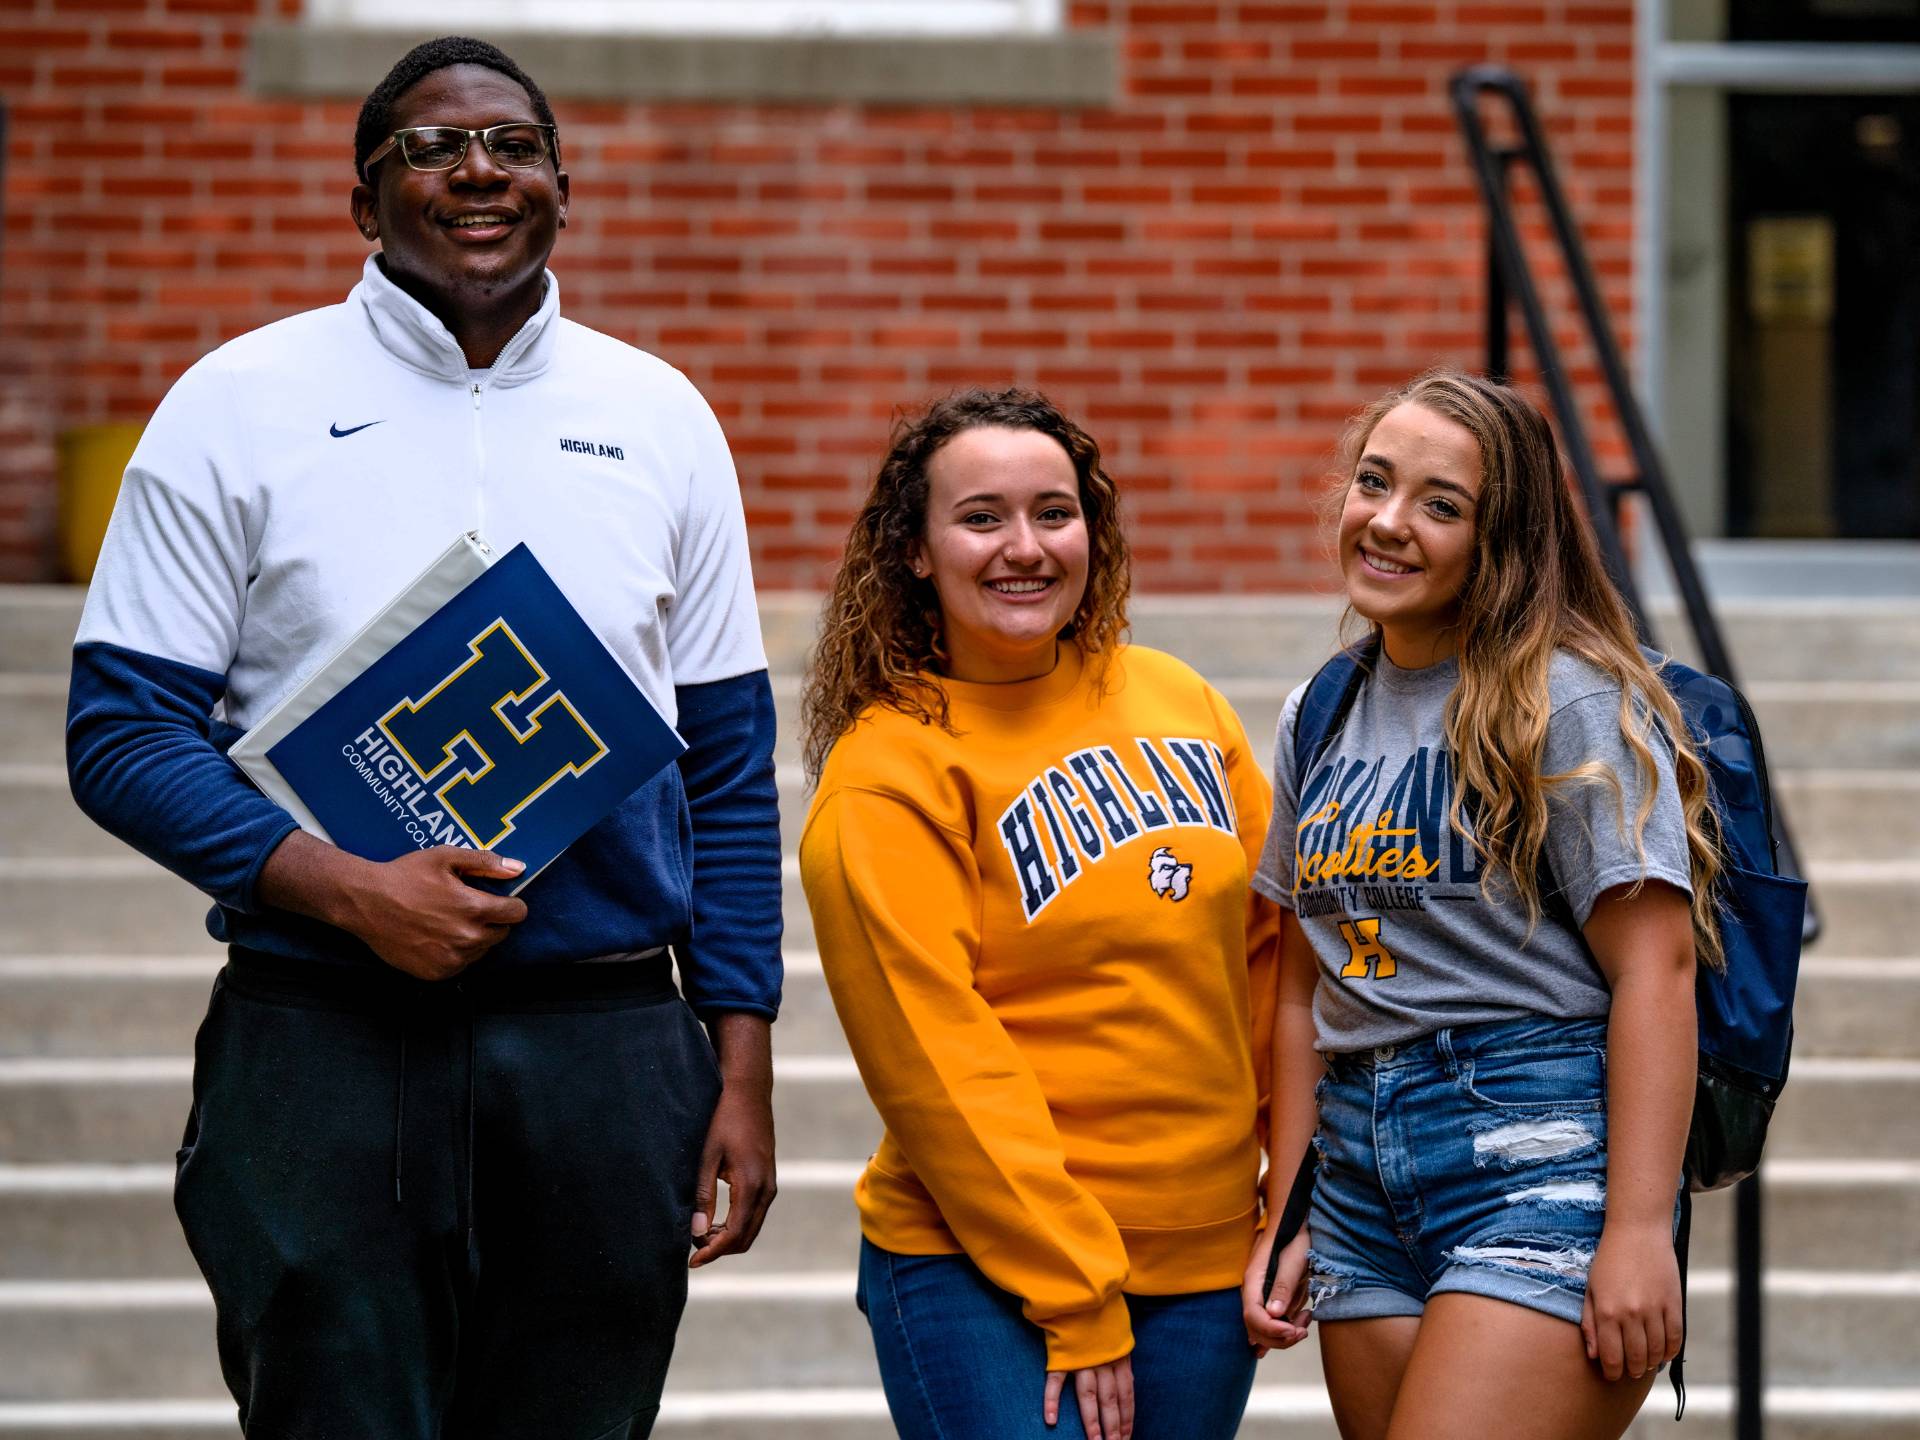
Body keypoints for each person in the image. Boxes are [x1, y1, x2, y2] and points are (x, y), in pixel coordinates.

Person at [65, 36, 781, 1440]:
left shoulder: (660, 416)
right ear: (362, 197)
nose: (478, 172)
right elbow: (120, 734)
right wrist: (344, 890)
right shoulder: (237, 404)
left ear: (562, 188)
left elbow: (730, 774)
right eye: (434, 146)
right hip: (327, 1031)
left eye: (514, 146)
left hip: (607, 1043)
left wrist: (737, 1060)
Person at [797, 388, 1293, 1440]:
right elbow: (936, 1058)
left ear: (1093, 531)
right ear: (916, 552)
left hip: (1204, 1263)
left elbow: (1269, 964)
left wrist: (1289, 1197)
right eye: (981, 518)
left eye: (1053, 513)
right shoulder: (889, 771)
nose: (1024, 547)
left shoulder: (1177, 698)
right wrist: (1073, 1285)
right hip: (985, 1268)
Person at [1241, 371, 1725, 1440]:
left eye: (1440, 504)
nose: (1388, 522)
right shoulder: (1320, 711)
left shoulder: (1567, 700)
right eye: (1375, 483)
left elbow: (1658, 970)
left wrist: (1640, 1228)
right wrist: (1292, 1202)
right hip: (1358, 1170)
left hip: (1534, 1143)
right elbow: (1298, 988)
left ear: (1499, 539)